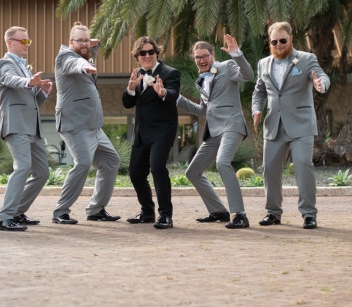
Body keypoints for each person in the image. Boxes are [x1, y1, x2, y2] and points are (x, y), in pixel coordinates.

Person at [251, 21, 330, 230]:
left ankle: (309, 214)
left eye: (282, 41)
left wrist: (320, 84)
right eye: (274, 41)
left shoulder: (306, 59)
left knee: (303, 166)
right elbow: (259, 91)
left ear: (291, 39)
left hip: (301, 124)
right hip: (274, 124)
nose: (278, 45)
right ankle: (273, 212)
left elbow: (321, 76)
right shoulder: (263, 63)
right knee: (270, 169)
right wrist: (256, 110)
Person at [177, 35, 254, 229]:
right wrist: (175, 98)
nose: (201, 60)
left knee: (222, 162)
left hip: (232, 126)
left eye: (204, 56)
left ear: (212, 55)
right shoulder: (201, 80)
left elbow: (247, 75)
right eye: (197, 57)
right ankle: (218, 210)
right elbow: (203, 110)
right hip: (213, 131)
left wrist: (237, 54)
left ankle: (240, 215)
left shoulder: (226, 67)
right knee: (193, 172)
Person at [51, 22, 121, 224]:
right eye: (79, 40)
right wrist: (86, 65)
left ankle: (96, 209)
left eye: (86, 40)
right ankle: (60, 211)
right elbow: (76, 64)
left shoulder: (84, 53)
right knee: (82, 163)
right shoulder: (65, 57)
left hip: (93, 125)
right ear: (70, 42)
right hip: (75, 124)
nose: (83, 44)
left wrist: (94, 48)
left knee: (110, 160)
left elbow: (86, 57)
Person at [0, 26, 53, 231]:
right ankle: (5, 217)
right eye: (23, 41)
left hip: (32, 128)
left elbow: (32, 102)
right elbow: (10, 80)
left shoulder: (25, 67)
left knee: (42, 172)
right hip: (16, 125)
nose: (27, 45)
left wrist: (43, 92)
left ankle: (18, 212)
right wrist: (29, 81)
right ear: (10, 43)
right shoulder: (4, 64)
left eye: (29, 42)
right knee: (23, 167)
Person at [122, 37, 180, 230]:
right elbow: (128, 103)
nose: (147, 56)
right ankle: (147, 212)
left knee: (157, 168)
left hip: (162, 131)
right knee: (135, 173)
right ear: (137, 56)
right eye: (142, 53)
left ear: (157, 53)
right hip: (141, 132)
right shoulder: (136, 75)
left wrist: (162, 92)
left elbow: (172, 95)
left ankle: (165, 215)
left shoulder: (170, 73)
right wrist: (130, 89)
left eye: (150, 52)